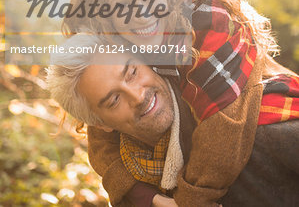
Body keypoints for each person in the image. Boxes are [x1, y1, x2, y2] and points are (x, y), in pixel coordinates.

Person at [58, 0, 299, 206]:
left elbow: (223, 127)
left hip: (274, 110)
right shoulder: (118, 44)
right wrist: (143, 197)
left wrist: (188, 202)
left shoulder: (206, 18)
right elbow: (101, 135)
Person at [47, 37, 299, 207]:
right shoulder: (132, 189)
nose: (137, 96)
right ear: (99, 124)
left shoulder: (264, 129)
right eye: (114, 99)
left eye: (132, 72)